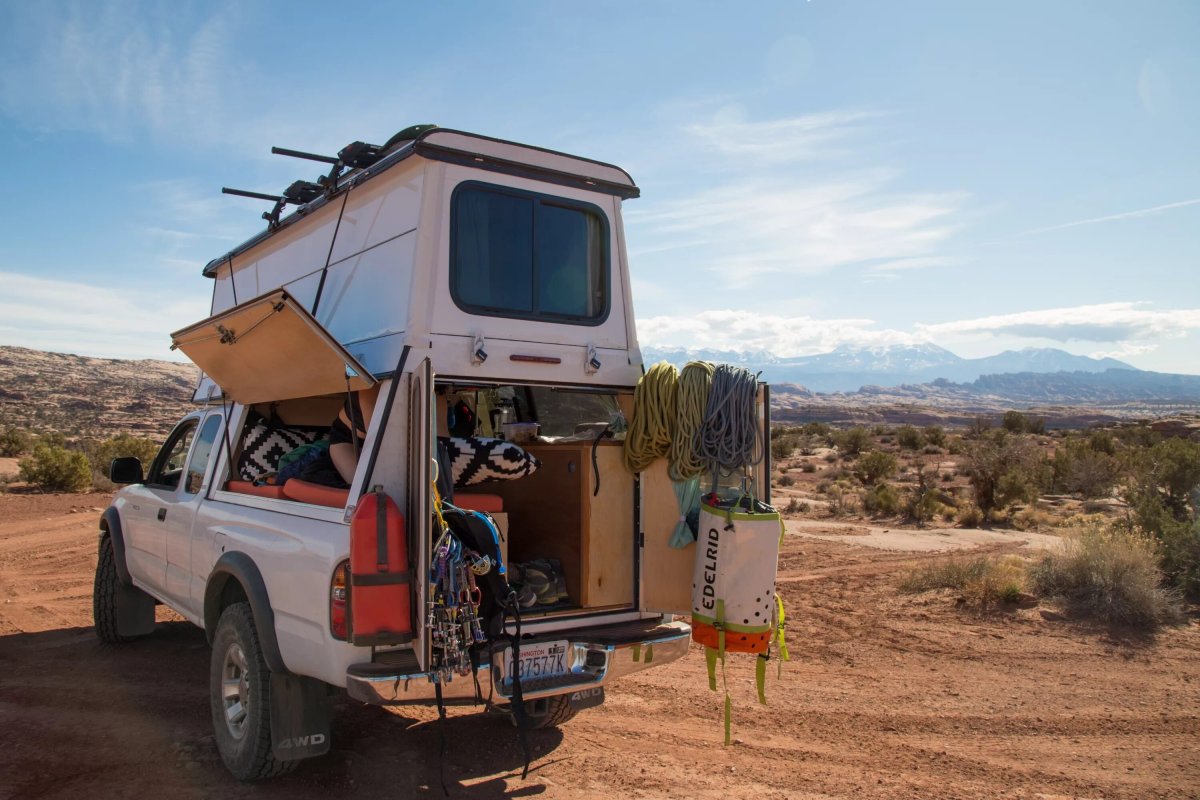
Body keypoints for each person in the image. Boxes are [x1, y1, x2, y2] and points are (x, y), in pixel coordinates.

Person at [329, 384, 381, 485]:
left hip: (378, 439)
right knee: (366, 486)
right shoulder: (370, 385)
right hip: (348, 441)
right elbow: (378, 435)